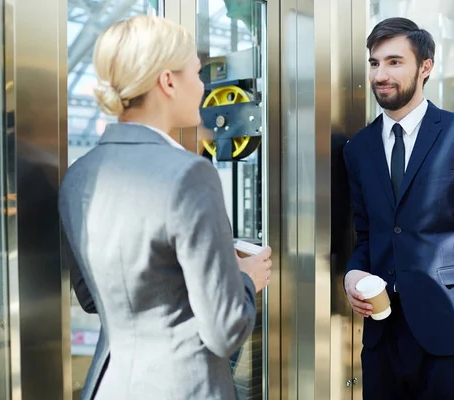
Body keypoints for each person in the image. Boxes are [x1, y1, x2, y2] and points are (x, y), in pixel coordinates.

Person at [59, 15, 272, 400]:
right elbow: (225, 330)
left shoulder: (77, 176)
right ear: (168, 81)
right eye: (197, 72)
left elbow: (95, 297)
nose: (204, 86)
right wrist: (244, 278)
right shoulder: (190, 174)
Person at [342, 17, 454, 399]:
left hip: (452, 337)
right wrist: (352, 275)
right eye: (374, 63)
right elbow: (367, 235)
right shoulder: (358, 149)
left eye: (394, 62)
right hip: (382, 339)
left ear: (425, 67)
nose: (380, 74)